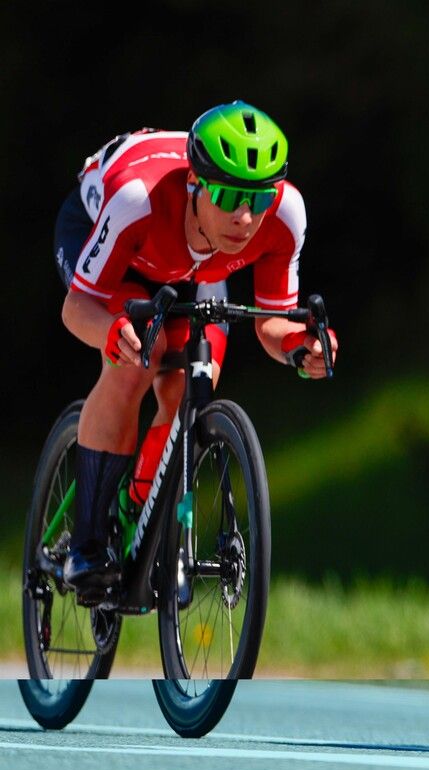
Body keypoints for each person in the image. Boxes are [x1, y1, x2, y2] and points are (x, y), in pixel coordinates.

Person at [57, 100, 337, 598]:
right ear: (195, 183)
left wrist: (303, 346)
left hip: (197, 269)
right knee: (137, 360)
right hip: (115, 240)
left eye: (258, 198)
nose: (244, 217)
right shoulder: (138, 199)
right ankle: (89, 543)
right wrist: (111, 334)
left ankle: (144, 511)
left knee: (193, 382)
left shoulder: (285, 214)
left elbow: (273, 322)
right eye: (227, 196)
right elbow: (78, 307)